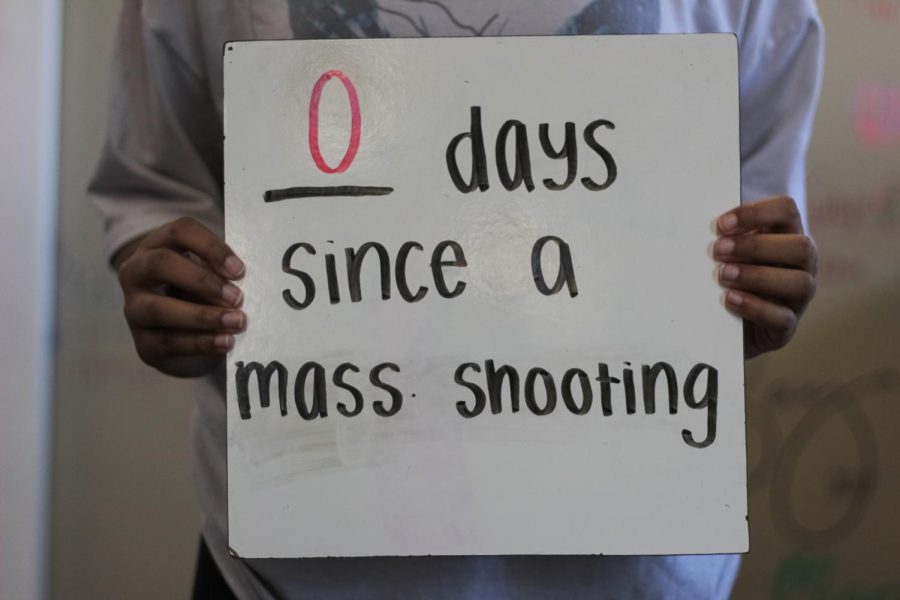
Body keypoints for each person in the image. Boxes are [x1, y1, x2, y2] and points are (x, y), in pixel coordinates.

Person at [90, 1, 823, 598]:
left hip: (635, 568)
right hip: (287, 568)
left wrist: (754, 292)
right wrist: (165, 279)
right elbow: (157, 184)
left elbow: (758, 201)